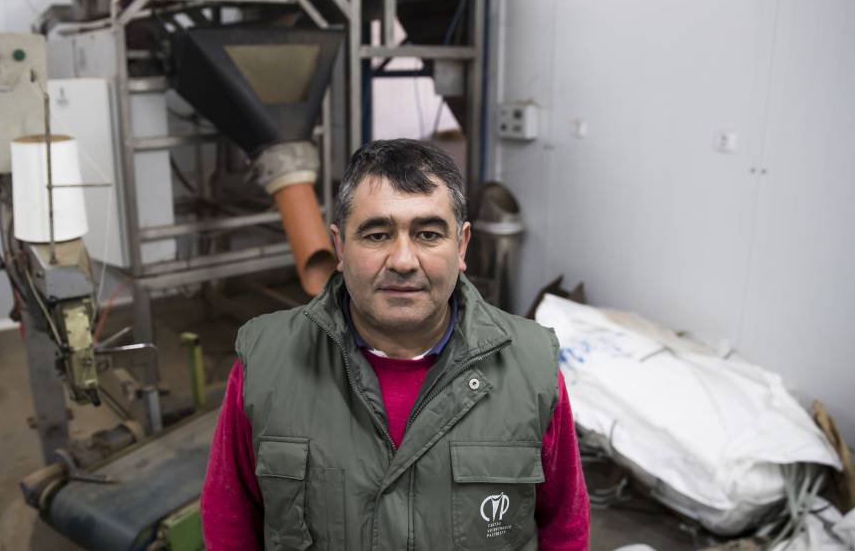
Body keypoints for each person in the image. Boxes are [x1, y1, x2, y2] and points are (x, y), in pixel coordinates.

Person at [201, 138, 590, 550]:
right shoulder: (266, 363)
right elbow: (229, 525)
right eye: (377, 235)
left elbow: (565, 529)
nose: (403, 261)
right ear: (340, 247)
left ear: (461, 246)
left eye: (428, 234)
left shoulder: (530, 366)